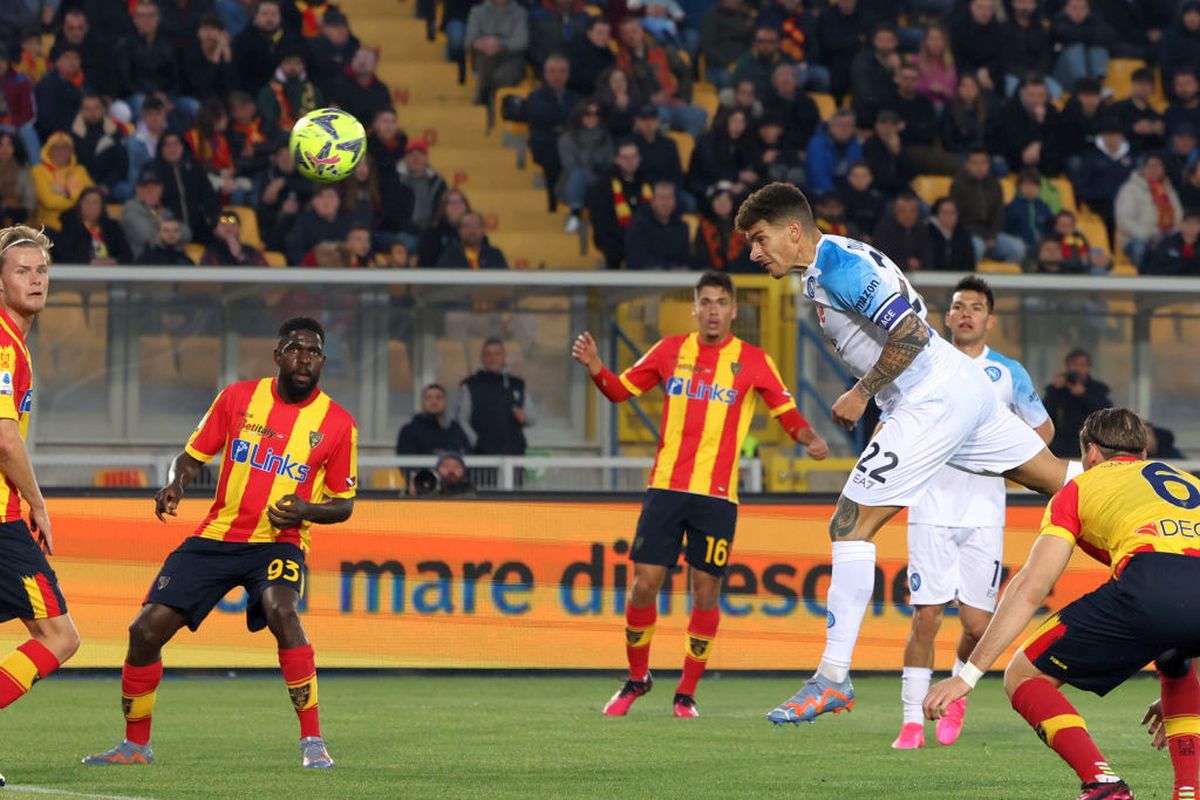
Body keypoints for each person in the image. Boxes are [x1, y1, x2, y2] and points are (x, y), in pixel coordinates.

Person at [734, 182, 1076, 725]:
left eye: (759, 239)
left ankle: (832, 678)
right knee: (1063, 482)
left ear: (793, 230)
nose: (753, 253)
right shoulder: (831, 264)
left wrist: (862, 391)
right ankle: (1161, 505)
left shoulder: (838, 265)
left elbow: (912, 333)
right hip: (955, 385)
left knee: (849, 526)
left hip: (927, 399)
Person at [82, 317, 357, 770]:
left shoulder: (338, 423)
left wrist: (306, 510)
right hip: (217, 536)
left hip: (279, 540)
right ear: (277, 355)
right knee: (144, 631)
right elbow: (190, 458)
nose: (303, 358)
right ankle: (135, 747)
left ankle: (313, 741)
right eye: (294, 348)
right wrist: (175, 484)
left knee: (282, 611)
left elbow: (344, 503)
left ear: (322, 360)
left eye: (312, 351)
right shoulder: (237, 398)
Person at [572, 270, 828, 718]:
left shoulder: (753, 360)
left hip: (716, 496)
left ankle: (686, 694)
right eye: (705, 302)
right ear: (694, 308)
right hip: (666, 487)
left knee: (705, 592)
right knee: (644, 585)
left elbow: (785, 411)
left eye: (720, 303)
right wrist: (595, 365)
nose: (712, 311)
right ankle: (637, 678)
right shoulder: (670, 350)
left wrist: (808, 438)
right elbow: (619, 391)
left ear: (733, 310)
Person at [923, 408, 1200, 800]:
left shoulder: (1080, 487)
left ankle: (1102, 782)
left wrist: (967, 676)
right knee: (1176, 660)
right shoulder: (1189, 481)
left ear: (1090, 454)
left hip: (1150, 579)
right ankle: (1189, 792)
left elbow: (1032, 585)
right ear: (1142, 453)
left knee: (1024, 676)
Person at [891, 276, 1054, 751]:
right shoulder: (924, 366)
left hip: (985, 510)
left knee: (978, 626)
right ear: (947, 316)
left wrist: (1005, 459)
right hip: (930, 506)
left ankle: (956, 694)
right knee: (925, 616)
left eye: (976, 308)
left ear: (989, 319)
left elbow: (1042, 430)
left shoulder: (1007, 373)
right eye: (959, 306)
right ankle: (910, 721)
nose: (966, 314)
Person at [0, 226, 81, 783]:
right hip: (1, 522)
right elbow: (5, 439)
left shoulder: (15, 339)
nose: (36, 279)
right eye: (23, 271)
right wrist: (39, 504)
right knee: (59, 636)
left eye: (42, 271)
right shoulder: (4, 342)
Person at [456, 338, 532, 456]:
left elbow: (532, 416)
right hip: (481, 458)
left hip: (513, 457)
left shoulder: (516, 384)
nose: (493, 358)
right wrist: (477, 442)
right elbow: (462, 420)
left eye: (497, 354)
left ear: (504, 357)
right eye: (488, 354)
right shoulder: (470, 385)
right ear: (482, 358)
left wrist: (525, 418)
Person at [952, 149, 1027, 265]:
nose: (980, 167)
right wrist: (981, 236)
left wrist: (992, 236)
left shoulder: (995, 184)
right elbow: (956, 216)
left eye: (983, 163)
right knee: (977, 247)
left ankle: (1005, 282)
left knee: (1018, 248)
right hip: (969, 235)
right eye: (975, 163)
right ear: (967, 165)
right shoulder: (958, 185)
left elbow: (998, 214)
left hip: (991, 235)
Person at [586, 140, 651, 269]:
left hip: (646, 239)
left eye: (633, 157)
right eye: (625, 158)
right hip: (615, 241)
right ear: (617, 160)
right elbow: (601, 223)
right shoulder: (603, 186)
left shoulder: (648, 181)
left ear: (639, 158)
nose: (630, 161)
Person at [527, 55, 580, 213]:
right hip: (546, 145)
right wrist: (563, 124)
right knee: (554, 160)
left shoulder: (575, 98)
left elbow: (574, 120)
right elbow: (543, 117)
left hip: (570, 145)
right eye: (552, 71)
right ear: (545, 73)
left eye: (562, 71)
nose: (557, 75)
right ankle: (554, 206)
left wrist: (559, 125)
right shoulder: (535, 96)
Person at [1115, 153, 1184, 268]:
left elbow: (1178, 215)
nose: (1154, 170)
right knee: (1139, 248)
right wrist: (1147, 236)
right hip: (1137, 238)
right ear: (1142, 168)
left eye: (1158, 166)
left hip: (1166, 237)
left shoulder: (1168, 189)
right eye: (1150, 166)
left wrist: (1172, 235)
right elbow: (1124, 220)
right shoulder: (1130, 189)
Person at [1043, 348, 1113, 458]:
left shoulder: (1098, 389)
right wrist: (1055, 392)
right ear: (1067, 366)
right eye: (1074, 364)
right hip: (1062, 445)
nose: (1078, 368)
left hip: (1090, 442)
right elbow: (1045, 414)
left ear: (1088, 368)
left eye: (1082, 365)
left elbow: (1106, 412)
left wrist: (1083, 395)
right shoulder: (1056, 389)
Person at [558, 100, 613, 233]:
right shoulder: (568, 138)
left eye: (596, 114)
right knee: (578, 175)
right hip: (573, 183)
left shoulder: (605, 138)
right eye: (588, 113)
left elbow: (608, 161)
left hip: (598, 181)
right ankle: (575, 214)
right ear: (580, 115)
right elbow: (570, 165)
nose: (592, 117)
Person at [465, 0, 529, 106]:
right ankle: (485, 98)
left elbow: (522, 41)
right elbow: (469, 41)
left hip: (511, 60)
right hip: (485, 57)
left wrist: (500, 44)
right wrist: (483, 44)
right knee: (485, 57)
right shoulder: (477, 12)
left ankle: (484, 96)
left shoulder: (520, 13)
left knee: (500, 77)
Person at [53, 187, 132, 265]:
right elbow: (64, 257)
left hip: (111, 274)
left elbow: (127, 255)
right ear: (80, 206)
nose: (91, 206)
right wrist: (89, 262)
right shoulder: (69, 227)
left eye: (95, 202)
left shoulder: (112, 227)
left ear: (102, 207)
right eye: (87, 202)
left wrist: (113, 261)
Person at [31, 134, 93, 233]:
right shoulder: (39, 171)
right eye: (56, 148)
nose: (60, 152)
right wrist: (78, 203)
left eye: (65, 148)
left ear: (71, 151)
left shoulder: (80, 170)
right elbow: (49, 202)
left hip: (81, 225)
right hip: (51, 228)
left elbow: (92, 198)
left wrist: (65, 198)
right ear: (48, 151)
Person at [625, 182, 690, 269]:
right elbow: (638, 260)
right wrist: (668, 268)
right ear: (652, 201)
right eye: (661, 198)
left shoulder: (682, 227)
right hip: (645, 279)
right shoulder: (639, 226)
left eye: (669, 198)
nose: (665, 203)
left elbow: (686, 260)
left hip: (676, 279)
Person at [396, 383, 471, 456]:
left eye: (439, 397)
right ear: (422, 403)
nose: (434, 402)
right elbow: (406, 464)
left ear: (446, 402)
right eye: (429, 398)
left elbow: (468, 455)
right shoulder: (409, 431)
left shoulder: (456, 429)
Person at [871, 192, 928, 273]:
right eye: (903, 211)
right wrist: (906, 264)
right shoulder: (883, 229)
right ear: (895, 212)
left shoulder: (922, 230)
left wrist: (919, 263)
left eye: (912, 211)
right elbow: (882, 259)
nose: (908, 215)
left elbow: (929, 257)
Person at [1004, 168, 1055, 253]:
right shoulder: (1011, 207)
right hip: (1023, 248)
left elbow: (1051, 229)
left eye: (1033, 185)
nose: (1030, 189)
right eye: (1026, 185)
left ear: (1039, 188)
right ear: (1019, 187)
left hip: (1043, 248)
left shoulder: (1044, 207)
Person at [435, 211, 508, 269]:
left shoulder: (495, 255)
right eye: (466, 226)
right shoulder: (449, 257)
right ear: (459, 231)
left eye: (476, 225)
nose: (472, 230)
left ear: (483, 229)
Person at [925, 197, 976, 272]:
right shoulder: (927, 233)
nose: (949, 216)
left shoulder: (964, 235)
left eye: (953, 213)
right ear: (937, 215)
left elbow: (969, 265)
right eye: (945, 213)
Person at [201, 208, 268, 266]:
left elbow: (264, 274)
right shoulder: (211, 252)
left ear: (239, 228)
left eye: (233, 224)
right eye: (223, 224)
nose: (228, 227)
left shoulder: (251, 251)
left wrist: (240, 256)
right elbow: (208, 276)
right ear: (215, 230)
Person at [1146, 209, 1200, 276]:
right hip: (1168, 282)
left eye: (1195, 223)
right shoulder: (1167, 243)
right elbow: (1155, 268)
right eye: (1188, 223)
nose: (1191, 227)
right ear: (1181, 225)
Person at [407, 452, 476, 497]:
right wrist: (413, 493)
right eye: (446, 466)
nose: (451, 470)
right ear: (437, 469)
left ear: (463, 470)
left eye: (456, 467)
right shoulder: (429, 488)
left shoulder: (469, 490)